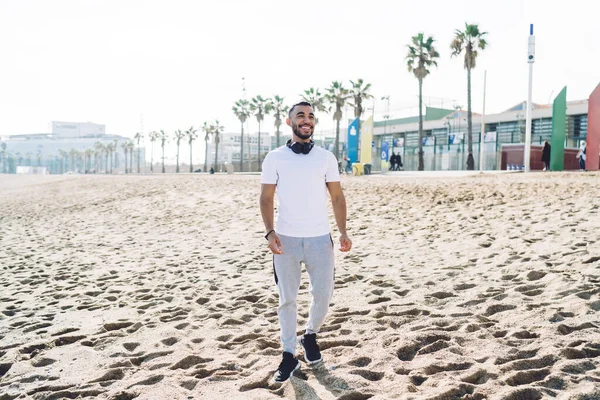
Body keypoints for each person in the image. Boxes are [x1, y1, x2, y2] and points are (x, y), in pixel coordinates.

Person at [260, 101, 352, 383]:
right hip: (285, 241)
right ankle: (288, 354)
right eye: (300, 115)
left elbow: (337, 197)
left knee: (323, 294)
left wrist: (343, 231)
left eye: (311, 116)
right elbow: (266, 198)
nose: (306, 120)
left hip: (319, 240)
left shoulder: (325, 157)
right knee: (287, 300)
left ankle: (309, 334)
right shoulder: (274, 157)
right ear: (289, 122)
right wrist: (270, 232)